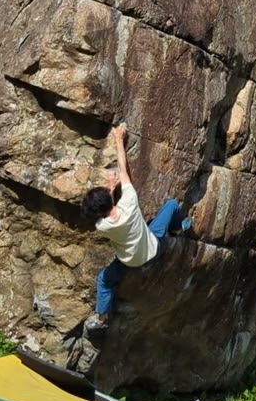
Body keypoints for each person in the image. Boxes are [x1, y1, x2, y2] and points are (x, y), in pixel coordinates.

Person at [80, 123, 190, 331]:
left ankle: (101, 317)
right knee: (172, 204)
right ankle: (177, 228)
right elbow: (123, 171)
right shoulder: (130, 200)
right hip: (153, 248)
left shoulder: (103, 226)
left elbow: (106, 212)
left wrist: (110, 190)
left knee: (104, 280)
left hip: (129, 262)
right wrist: (119, 140)